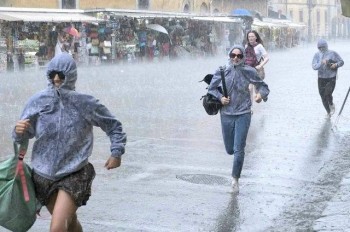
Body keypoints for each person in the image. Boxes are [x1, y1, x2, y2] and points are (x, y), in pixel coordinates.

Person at [12, 52, 127, 232]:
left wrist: (116, 152)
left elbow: (113, 125)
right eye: (52, 74)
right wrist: (19, 131)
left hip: (75, 172)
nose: (57, 78)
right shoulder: (37, 101)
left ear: (71, 75)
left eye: (61, 74)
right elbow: (23, 135)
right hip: (43, 175)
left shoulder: (86, 103)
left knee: (57, 227)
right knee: (70, 223)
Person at [208, 45, 269, 193]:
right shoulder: (222, 70)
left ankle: (235, 179)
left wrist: (260, 95)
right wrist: (220, 98)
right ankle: (235, 170)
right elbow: (212, 88)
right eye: (233, 55)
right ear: (229, 55)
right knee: (230, 149)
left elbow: (264, 87)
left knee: (239, 148)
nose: (235, 58)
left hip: (244, 113)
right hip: (226, 114)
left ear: (242, 58)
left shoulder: (249, 71)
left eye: (239, 56)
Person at [312, 39, 344, 118]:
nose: (322, 49)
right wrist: (321, 63)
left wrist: (335, 65)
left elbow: (341, 61)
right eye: (320, 48)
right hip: (321, 78)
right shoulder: (316, 55)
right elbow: (314, 66)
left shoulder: (333, 53)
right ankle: (328, 111)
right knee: (322, 96)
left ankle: (331, 104)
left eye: (323, 47)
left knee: (327, 93)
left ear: (326, 46)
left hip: (331, 77)